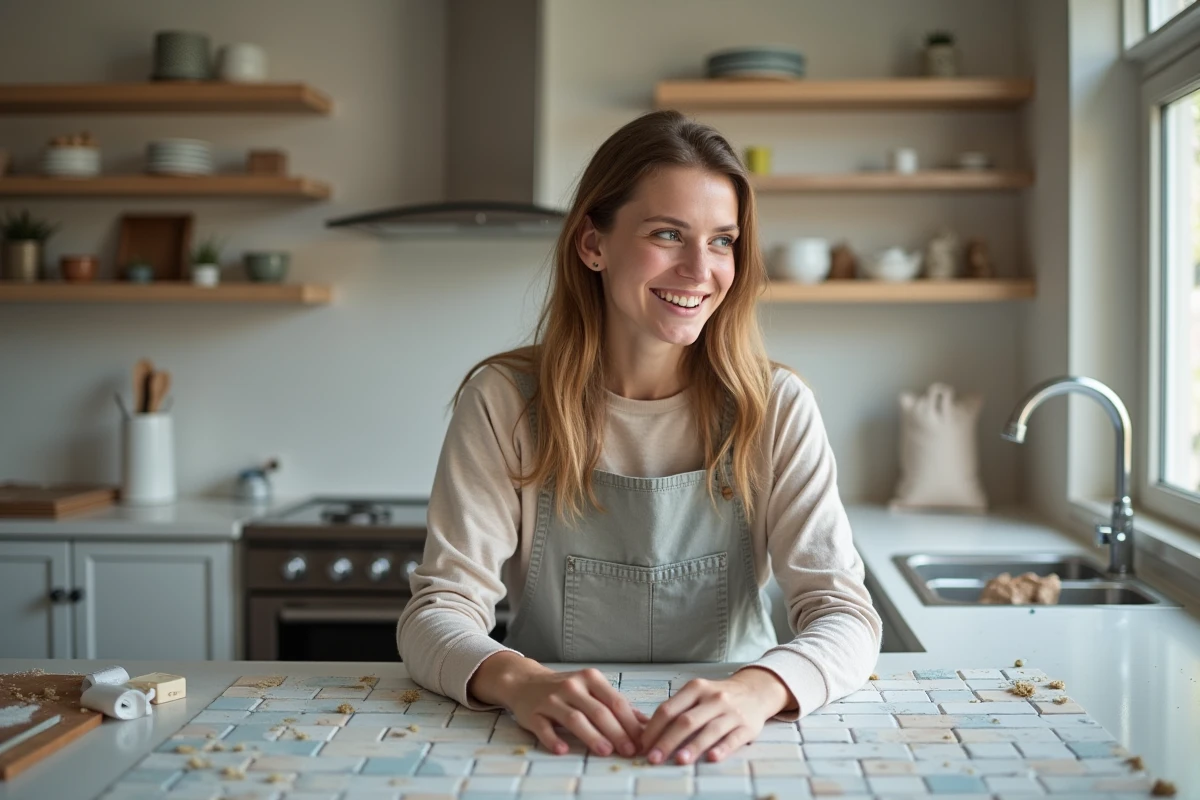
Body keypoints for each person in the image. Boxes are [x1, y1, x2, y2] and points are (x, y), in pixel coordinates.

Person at [397, 109, 881, 766]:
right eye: (667, 234)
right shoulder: (504, 400)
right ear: (592, 245)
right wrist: (522, 682)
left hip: (735, 748)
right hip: (553, 744)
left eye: (721, 241)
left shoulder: (775, 407)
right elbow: (436, 614)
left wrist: (757, 690)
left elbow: (845, 615)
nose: (699, 268)